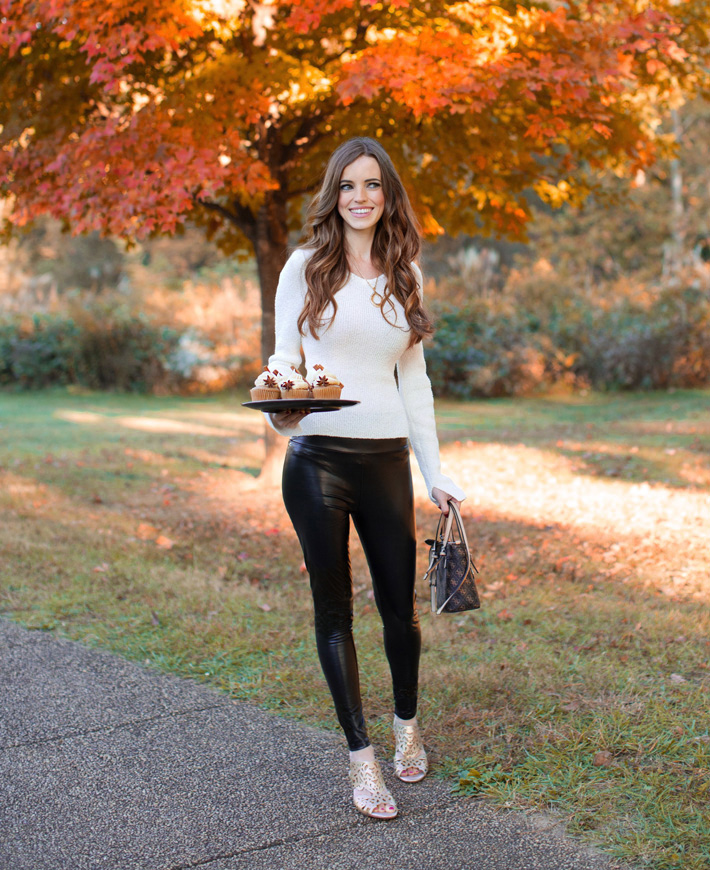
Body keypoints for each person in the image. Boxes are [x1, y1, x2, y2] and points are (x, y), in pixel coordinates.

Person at [266, 137, 466, 820]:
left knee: (398, 609)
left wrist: (434, 471)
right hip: (316, 461)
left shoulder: (405, 269)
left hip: (385, 462)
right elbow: (283, 359)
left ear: (388, 195)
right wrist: (281, 415)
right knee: (333, 614)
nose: (360, 197)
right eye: (348, 185)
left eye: (372, 185)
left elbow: (414, 378)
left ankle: (407, 725)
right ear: (334, 193)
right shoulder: (304, 266)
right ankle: (362, 761)